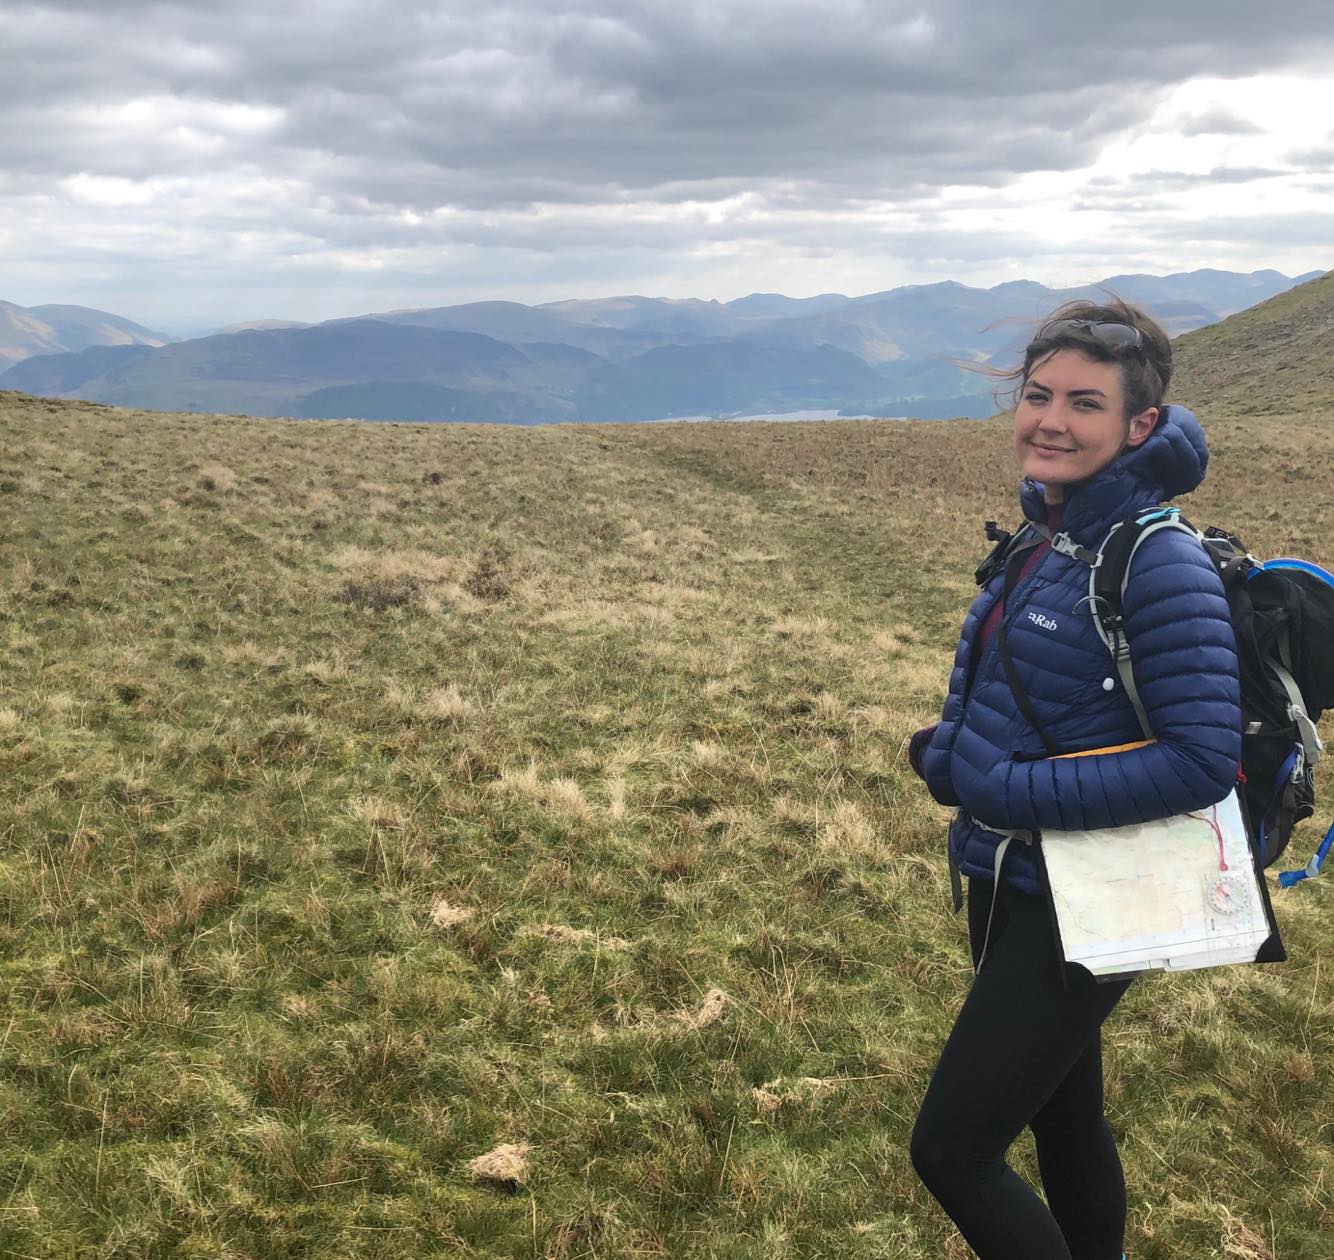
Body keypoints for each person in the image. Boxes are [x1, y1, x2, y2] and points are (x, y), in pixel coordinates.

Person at [905, 298, 1241, 1260]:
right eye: (1038, 395)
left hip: (1091, 887)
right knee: (1061, 1114)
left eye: (1084, 403)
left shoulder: (1157, 559)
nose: (1049, 420)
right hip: (1015, 870)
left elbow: (1201, 760)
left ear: (1140, 425)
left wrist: (1002, 789)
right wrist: (951, 752)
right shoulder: (1050, 534)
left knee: (955, 1151)